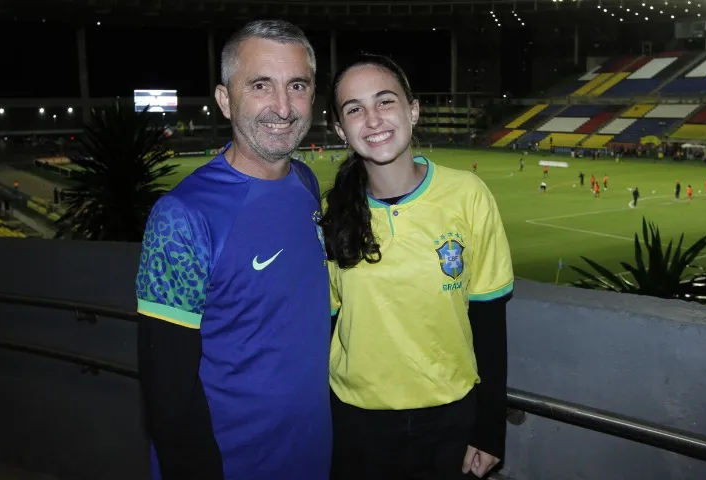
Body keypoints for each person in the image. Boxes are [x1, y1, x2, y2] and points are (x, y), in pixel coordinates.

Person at [135, 20, 331, 480]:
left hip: (313, 454)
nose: (282, 107)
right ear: (225, 99)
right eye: (261, 85)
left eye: (297, 86)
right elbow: (168, 393)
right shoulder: (180, 217)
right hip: (227, 464)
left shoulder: (306, 183)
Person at [320, 54, 513, 480]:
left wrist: (490, 428)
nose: (372, 119)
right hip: (355, 423)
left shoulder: (468, 195)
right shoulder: (329, 214)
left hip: (450, 420)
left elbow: (489, 320)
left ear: (413, 109)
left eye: (384, 101)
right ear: (339, 129)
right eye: (354, 109)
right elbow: (328, 323)